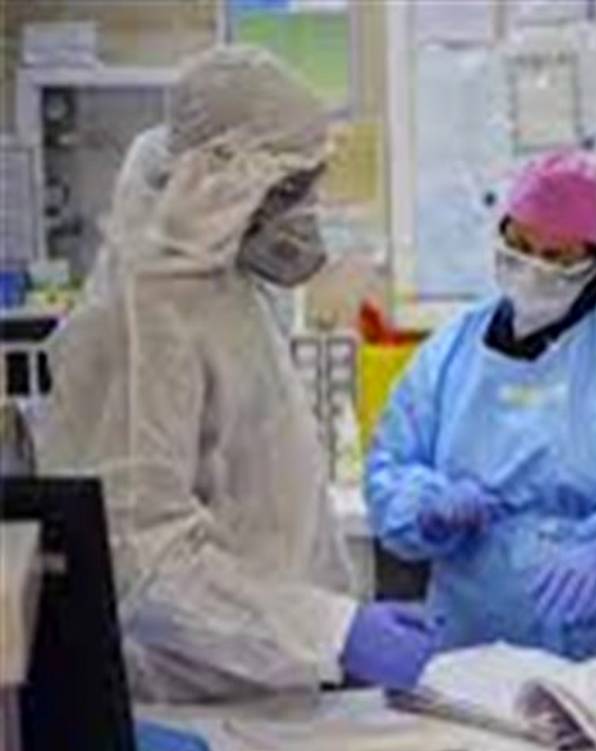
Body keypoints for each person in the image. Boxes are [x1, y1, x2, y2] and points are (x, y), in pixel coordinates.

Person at [39, 45, 436, 702]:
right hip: (196, 703)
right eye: (288, 190)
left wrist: (332, 624)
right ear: (222, 183)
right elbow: (143, 562)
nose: (305, 211)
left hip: (269, 683)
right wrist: (333, 631)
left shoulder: (221, 280)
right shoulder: (149, 311)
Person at [365, 152, 596, 660]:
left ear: (595, 262)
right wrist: (428, 508)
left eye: (557, 257)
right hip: (476, 642)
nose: (533, 269)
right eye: (519, 247)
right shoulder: (450, 353)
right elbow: (390, 463)